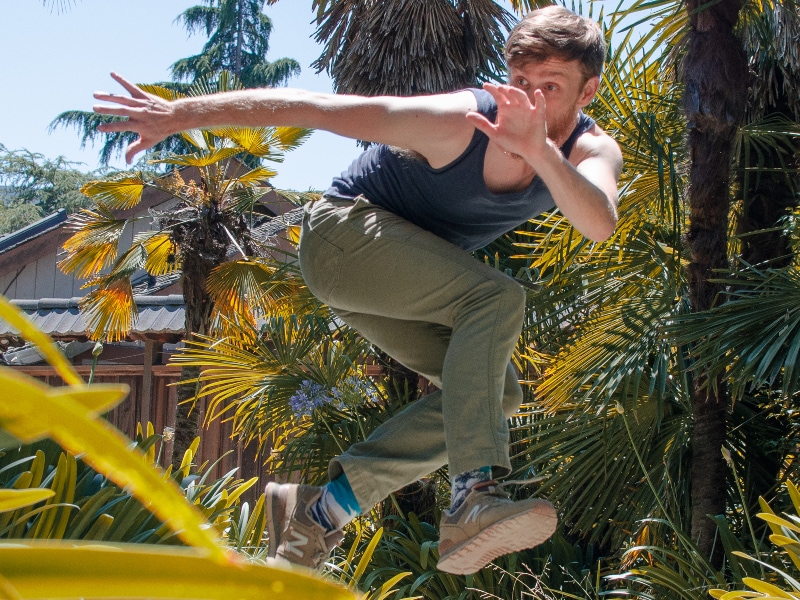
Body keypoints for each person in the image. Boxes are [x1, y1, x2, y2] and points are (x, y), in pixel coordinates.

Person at [94, 5, 621, 575]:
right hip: (343, 237)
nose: (532, 103)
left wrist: (542, 152)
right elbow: (320, 109)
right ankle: (475, 495)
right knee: (496, 298)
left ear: (586, 91)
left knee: (499, 396)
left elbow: (597, 222)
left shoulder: (591, 151)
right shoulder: (459, 120)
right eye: (521, 84)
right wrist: (179, 114)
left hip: (392, 276)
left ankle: (318, 513)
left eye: (551, 87)